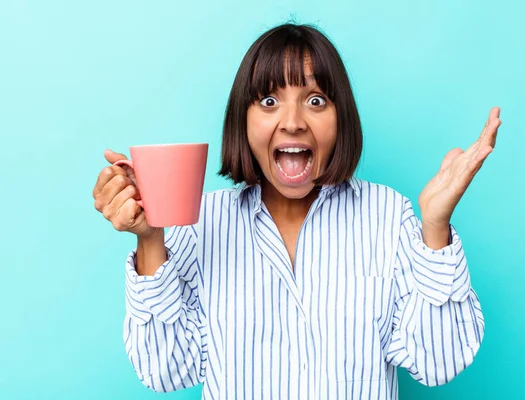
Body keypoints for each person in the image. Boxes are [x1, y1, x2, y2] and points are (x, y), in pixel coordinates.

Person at [92, 23, 500, 400]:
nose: (292, 122)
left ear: (342, 120)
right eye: (269, 100)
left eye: (316, 100)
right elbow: (166, 373)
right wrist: (150, 238)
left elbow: (438, 362)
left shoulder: (388, 216)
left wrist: (434, 227)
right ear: (243, 120)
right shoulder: (201, 224)